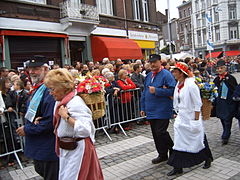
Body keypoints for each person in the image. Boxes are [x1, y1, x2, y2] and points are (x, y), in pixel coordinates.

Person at [44, 68, 103, 180]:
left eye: (52, 89)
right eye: (49, 89)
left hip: (78, 150)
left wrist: (66, 117)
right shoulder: (60, 101)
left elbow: (86, 129)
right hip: (67, 149)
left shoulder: (75, 103)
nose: (50, 93)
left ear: (63, 88)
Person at [16, 56, 59, 180]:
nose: (31, 72)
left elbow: (50, 121)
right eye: (30, 69)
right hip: (39, 147)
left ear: (46, 69)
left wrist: (28, 129)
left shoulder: (50, 90)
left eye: (36, 69)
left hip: (47, 148)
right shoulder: (39, 88)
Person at [167, 62, 213, 176]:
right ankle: (178, 166)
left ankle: (207, 157)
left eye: (175, 71)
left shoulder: (191, 85)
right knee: (178, 142)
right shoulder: (178, 83)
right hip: (182, 117)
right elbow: (178, 99)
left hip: (192, 116)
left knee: (199, 138)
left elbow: (197, 103)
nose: (173, 73)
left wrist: (196, 121)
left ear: (181, 73)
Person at [140, 54, 175, 164]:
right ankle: (162, 154)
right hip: (151, 110)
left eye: (154, 62)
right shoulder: (149, 75)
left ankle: (173, 150)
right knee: (155, 134)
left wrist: (157, 91)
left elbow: (172, 91)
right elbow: (144, 92)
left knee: (161, 132)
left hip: (162, 109)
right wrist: (142, 107)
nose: (152, 64)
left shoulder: (166, 75)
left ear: (160, 62)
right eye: (151, 62)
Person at [213, 60, 238, 145]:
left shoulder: (231, 78)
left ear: (225, 68)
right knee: (222, 119)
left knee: (228, 119)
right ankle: (226, 131)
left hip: (229, 103)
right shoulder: (216, 79)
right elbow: (213, 90)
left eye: (221, 68)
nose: (219, 70)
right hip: (220, 103)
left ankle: (226, 135)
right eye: (218, 68)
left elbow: (235, 89)